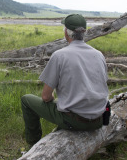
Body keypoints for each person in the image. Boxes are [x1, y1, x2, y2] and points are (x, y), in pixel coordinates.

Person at [21, 14, 109, 147]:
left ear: (66, 33)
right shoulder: (99, 54)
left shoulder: (59, 55)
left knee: (26, 100)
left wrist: (55, 100)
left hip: (75, 121)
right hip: (99, 120)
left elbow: (45, 97)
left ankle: (33, 144)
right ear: (84, 33)